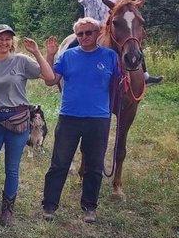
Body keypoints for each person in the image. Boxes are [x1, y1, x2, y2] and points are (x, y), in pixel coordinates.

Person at [0, 24, 55, 227]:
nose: (4, 42)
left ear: (12, 42)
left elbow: (49, 77)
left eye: (8, 39)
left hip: (18, 122)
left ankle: (7, 211)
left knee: (12, 169)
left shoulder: (21, 61)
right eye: (0, 38)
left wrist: (38, 53)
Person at [41, 17, 121, 223]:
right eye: (80, 34)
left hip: (98, 119)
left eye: (88, 33)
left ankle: (89, 207)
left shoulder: (111, 57)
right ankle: (49, 205)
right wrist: (50, 55)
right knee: (59, 163)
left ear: (98, 33)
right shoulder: (67, 56)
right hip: (69, 117)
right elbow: (50, 80)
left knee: (94, 166)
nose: (84, 37)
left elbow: (121, 83)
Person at [77, 0, 162, 84]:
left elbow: (122, 15)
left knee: (133, 44)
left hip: (108, 29)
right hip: (90, 31)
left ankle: (145, 74)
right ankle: (69, 73)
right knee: (74, 44)